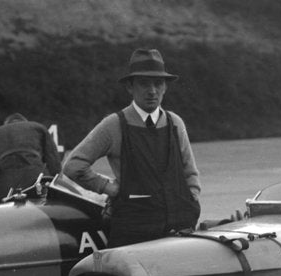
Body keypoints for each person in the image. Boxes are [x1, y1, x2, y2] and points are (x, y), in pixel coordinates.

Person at [63, 48, 200, 248]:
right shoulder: (114, 125)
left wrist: (192, 198)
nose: (152, 91)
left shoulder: (175, 122)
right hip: (134, 233)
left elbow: (190, 171)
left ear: (165, 87)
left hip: (179, 230)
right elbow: (74, 165)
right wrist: (108, 187)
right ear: (130, 87)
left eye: (158, 83)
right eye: (144, 83)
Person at [0, 113, 62, 205]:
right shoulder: (38, 128)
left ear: (5, 124)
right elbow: (55, 167)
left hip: (3, 185)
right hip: (35, 180)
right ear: (25, 122)